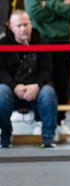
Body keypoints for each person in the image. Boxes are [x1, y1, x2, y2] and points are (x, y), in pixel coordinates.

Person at [23, 0, 70, 134]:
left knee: (63, 83)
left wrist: (48, 4)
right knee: (40, 82)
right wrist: (62, 7)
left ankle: (60, 121)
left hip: (63, 40)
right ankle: (40, 122)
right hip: (41, 41)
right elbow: (34, 12)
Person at [0, 11, 58, 148]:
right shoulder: (3, 44)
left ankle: (48, 136)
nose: (23, 29)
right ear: (11, 28)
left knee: (48, 92)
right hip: (12, 91)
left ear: (31, 24)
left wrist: (37, 85)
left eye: (26, 24)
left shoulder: (42, 42)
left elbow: (47, 70)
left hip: (36, 90)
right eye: (19, 26)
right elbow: (1, 71)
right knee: (1, 92)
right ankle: (5, 134)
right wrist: (15, 87)